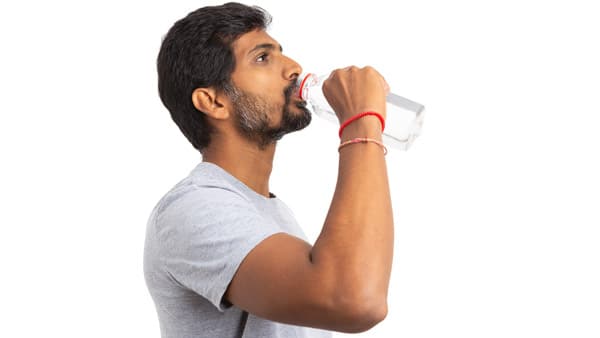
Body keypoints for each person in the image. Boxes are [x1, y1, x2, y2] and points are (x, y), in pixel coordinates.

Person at [144, 2, 394, 337]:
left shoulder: (271, 213)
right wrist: (360, 123)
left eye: (281, 53)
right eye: (263, 58)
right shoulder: (193, 209)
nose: (293, 68)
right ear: (213, 101)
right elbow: (355, 300)